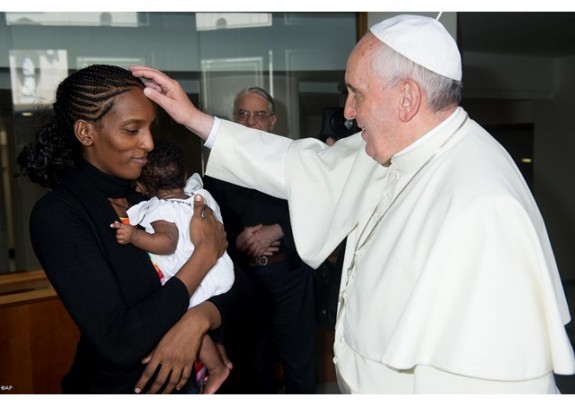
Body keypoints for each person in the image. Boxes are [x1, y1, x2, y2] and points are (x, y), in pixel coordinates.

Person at [130, 13, 575, 394]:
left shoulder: (484, 206)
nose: (347, 111)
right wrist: (194, 119)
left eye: (356, 92)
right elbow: (298, 164)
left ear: (407, 98)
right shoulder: (399, 146)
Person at [16, 64, 242, 394]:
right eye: (132, 129)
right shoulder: (59, 215)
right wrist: (203, 256)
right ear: (86, 133)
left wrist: (197, 322)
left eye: (150, 128)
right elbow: (121, 341)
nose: (149, 143)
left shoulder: (151, 195)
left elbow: (245, 289)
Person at [202, 86, 317, 394]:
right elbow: (210, 219)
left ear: (272, 121)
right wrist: (235, 239)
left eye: (259, 115)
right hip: (244, 279)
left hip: (289, 276)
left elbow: (319, 208)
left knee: (299, 363)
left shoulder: (296, 160)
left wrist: (277, 229)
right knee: (252, 365)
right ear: (233, 119)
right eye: (242, 114)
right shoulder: (217, 168)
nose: (250, 121)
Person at [110, 140, 234, 394]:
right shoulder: (201, 197)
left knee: (184, 318)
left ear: (143, 187)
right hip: (219, 269)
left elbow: (166, 242)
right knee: (201, 322)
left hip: (197, 275)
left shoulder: (161, 210)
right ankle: (219, 360)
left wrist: (134, 236)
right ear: (185, 176)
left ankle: (216, 369)